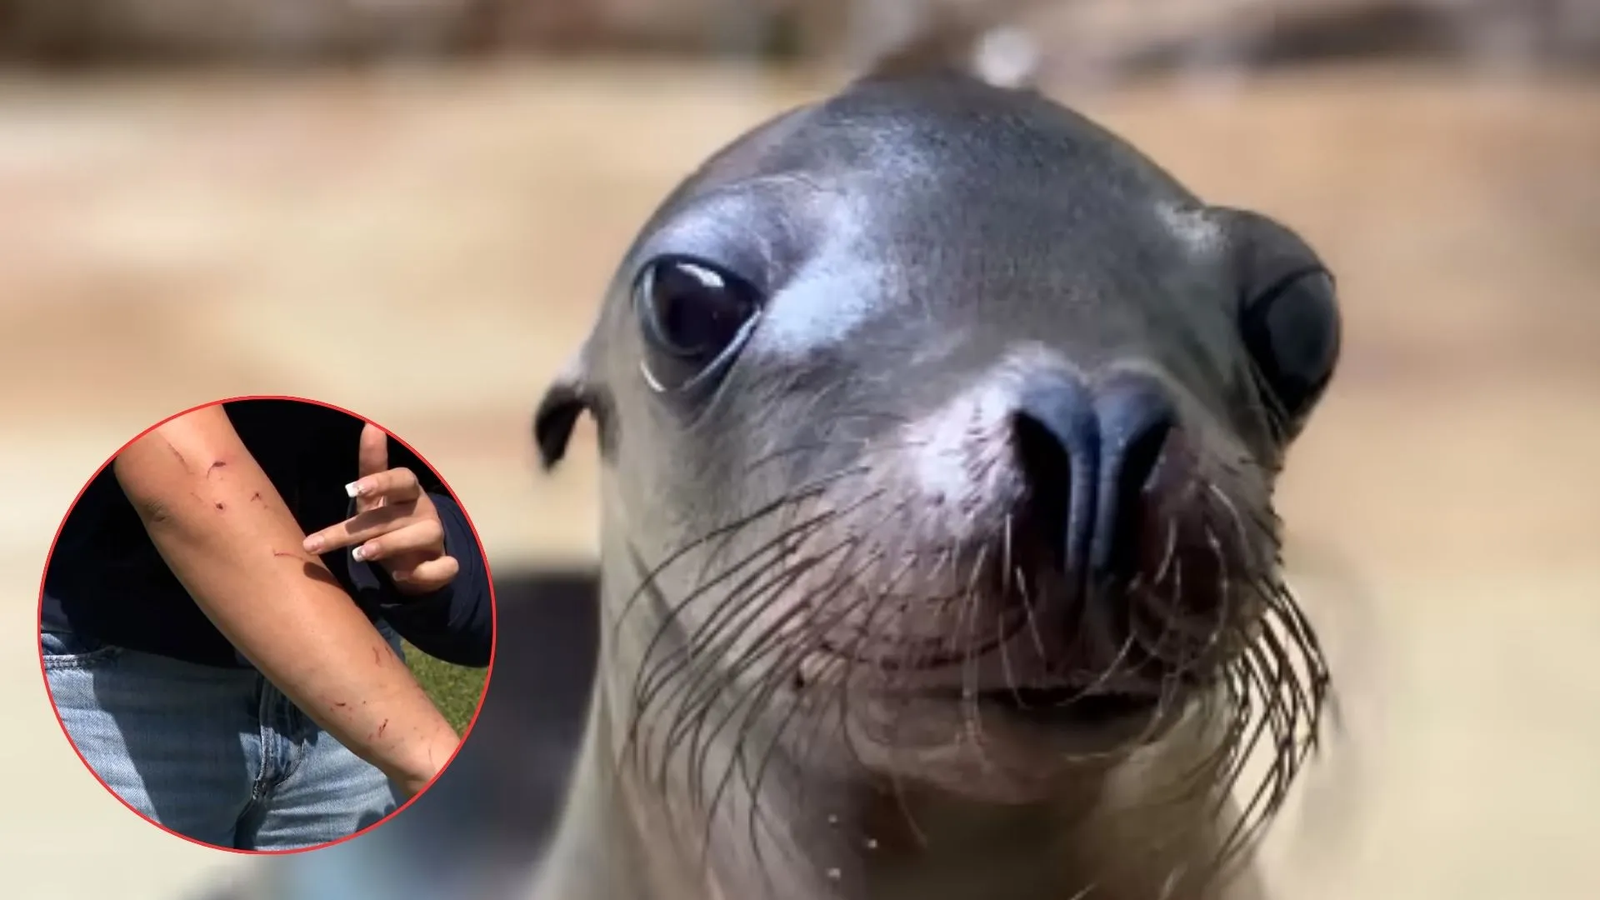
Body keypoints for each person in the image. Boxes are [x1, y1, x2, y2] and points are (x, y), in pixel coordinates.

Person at [39, 398, 493, 851]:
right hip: (119, 697)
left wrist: (434, 534)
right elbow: (177, 462)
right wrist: (432, 761)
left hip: (356, 689)